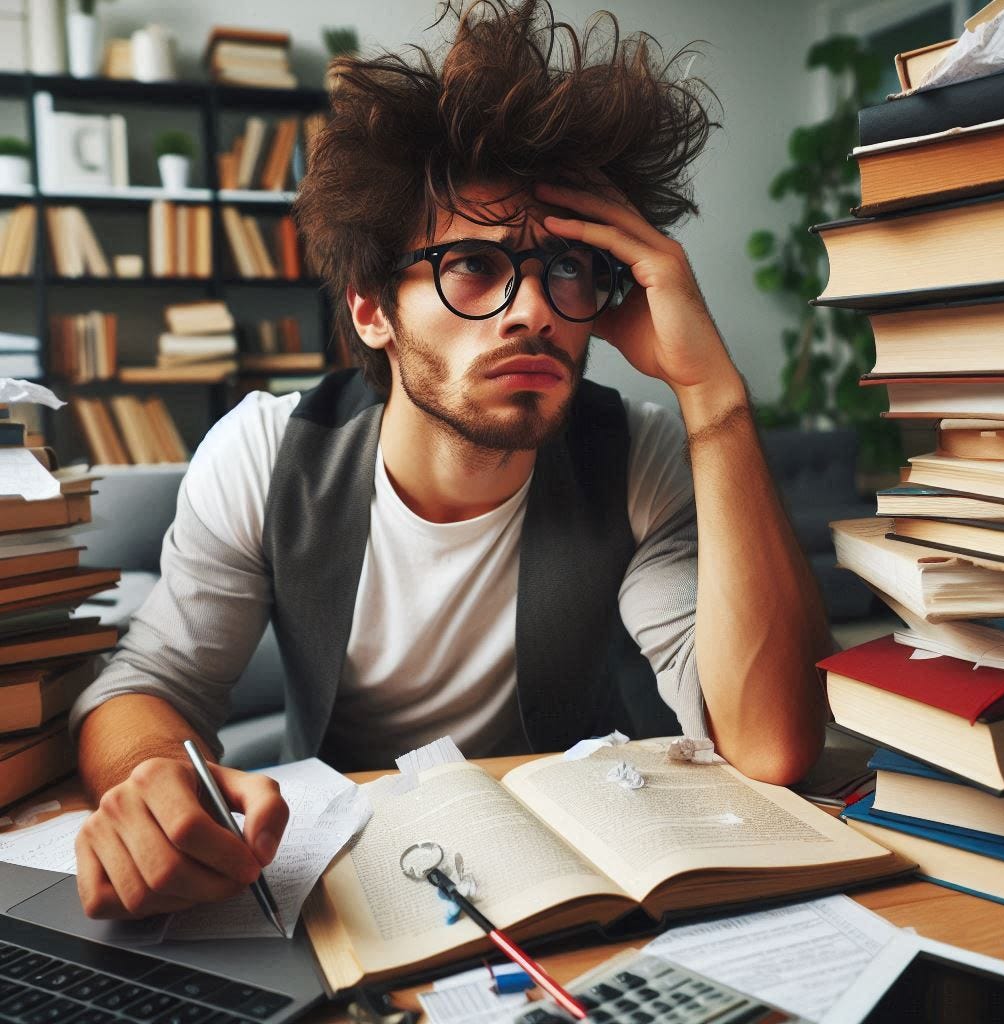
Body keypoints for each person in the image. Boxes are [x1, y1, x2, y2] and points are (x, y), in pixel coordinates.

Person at [70, 0, 831, 922]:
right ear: (370, 310)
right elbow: (153, 684)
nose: (533, 312)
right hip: (340, 886)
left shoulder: (637, 451)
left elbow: (771, 746)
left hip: (572, 887)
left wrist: (713, 395)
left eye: (568, 269)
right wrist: (151, 779)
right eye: (473, 263)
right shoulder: (269, 452)